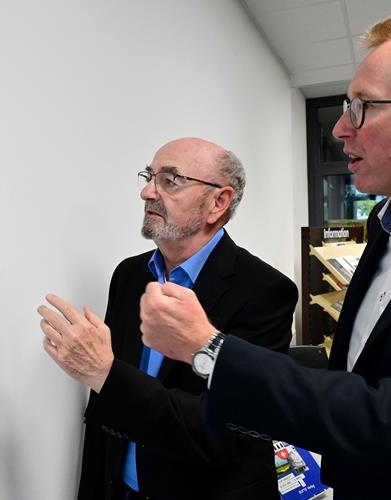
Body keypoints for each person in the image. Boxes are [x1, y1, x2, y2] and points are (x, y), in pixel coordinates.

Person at [138, 8, 391, 499]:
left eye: (362, 107)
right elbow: (360, 377)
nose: (341, 129)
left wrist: (210, 349)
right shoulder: (389, 222)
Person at [38, 137, 298, 500]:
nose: (147, 192)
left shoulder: (265, 291)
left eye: (170, 180)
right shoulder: (130, 275)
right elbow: (105, 413)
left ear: (218, 202)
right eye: (149, 176)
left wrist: (104, 372)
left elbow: (225, 434)